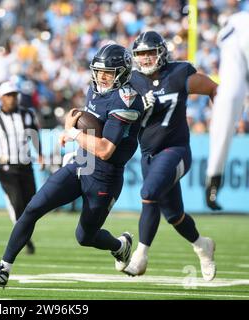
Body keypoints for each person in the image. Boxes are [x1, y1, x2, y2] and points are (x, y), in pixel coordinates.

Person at [0, 43, 144, 286]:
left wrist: (71, 134)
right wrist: (72, 120)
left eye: (108, 73)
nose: (101, 77)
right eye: (99, 72)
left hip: (105, 176)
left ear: (123, 73)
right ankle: (3, 268)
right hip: (81, 163)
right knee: (32, 208)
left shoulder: (126, 101)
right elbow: (88, 119)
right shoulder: (95, 89)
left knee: (84, 236)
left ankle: (120, 246)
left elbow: (105, 149)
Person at [123, 31, 218, 281]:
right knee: (174, 215)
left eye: (149, 53)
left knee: (148, 192)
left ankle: (140, 256)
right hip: (148, 154)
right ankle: (202, 244)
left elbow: (212, 89)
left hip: (176, 150)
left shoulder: (178, 74)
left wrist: (221, 119)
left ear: (161, 53)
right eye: (140, 54)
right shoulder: (131, 81)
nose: (144, 59)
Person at [0, 80, 44, 255]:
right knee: (17, 203)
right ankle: (24, 239)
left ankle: (24, 234)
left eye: (14, 95)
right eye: (8, 95)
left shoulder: (27, 114)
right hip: (6, 168)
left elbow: (35, 136)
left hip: (26, 165)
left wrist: (41, 154)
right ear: (0, 98)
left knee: (32, 205)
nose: (12, 99)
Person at [206, 11, 249, 211]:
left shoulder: (236, 20)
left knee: (227, 102)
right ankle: (213, 177)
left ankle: (214, 177)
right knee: (228, 100)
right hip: (237, 37)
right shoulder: (239, 21)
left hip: (235, 32)